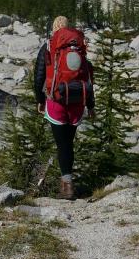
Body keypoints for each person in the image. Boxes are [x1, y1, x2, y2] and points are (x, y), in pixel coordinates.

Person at [34, 16, 96, 200]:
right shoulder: (79, 47)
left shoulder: (48, 46)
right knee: (69, 143)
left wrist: (40, 100)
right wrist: (91, 106)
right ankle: (68, 181)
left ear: (54, 29)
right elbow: (88, 77)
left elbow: (38, 77)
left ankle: (67, 187)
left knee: (62, 145)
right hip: (78, 101)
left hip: (56, 101)